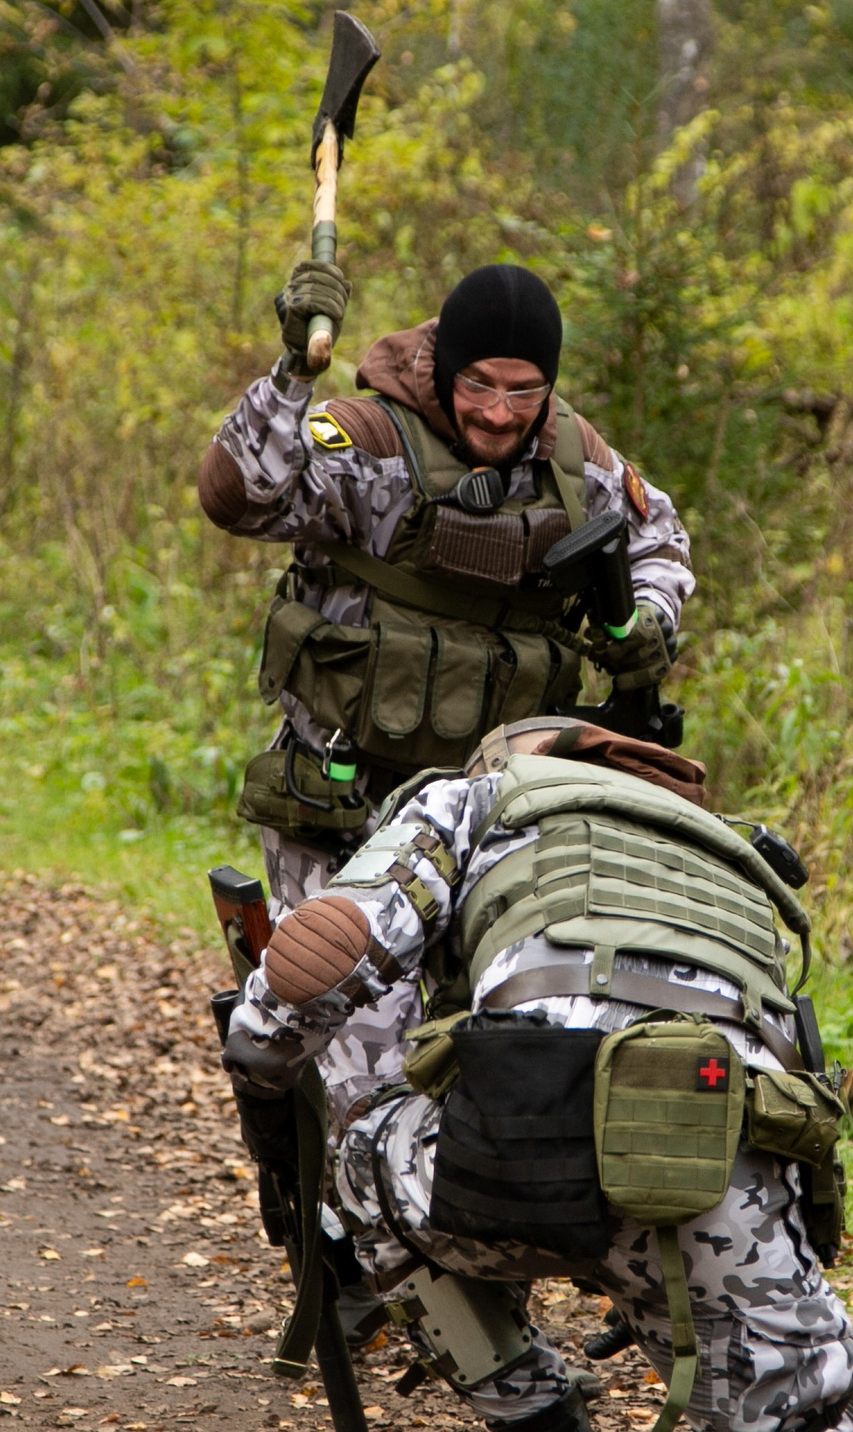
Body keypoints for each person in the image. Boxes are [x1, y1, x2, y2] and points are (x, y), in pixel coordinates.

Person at [218, 717, 853, 1432]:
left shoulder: (481, 798)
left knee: (364, 1154)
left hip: (513, 1153)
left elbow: (334, 942)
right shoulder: (740, 857)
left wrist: (264, 1053)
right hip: (715, 1180)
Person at [198, 261, 693, 1125]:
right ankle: (317, 1172)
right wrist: (291, 376)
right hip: (346, 809)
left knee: (515, 1058)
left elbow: (661, 537)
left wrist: (649, 615)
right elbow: (239, 496)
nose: (500, 413)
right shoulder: (368, 444)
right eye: (480, 385)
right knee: (367, 1079)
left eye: (525, 390)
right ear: (444, 367)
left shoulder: (576, 465)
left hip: (493, 818)